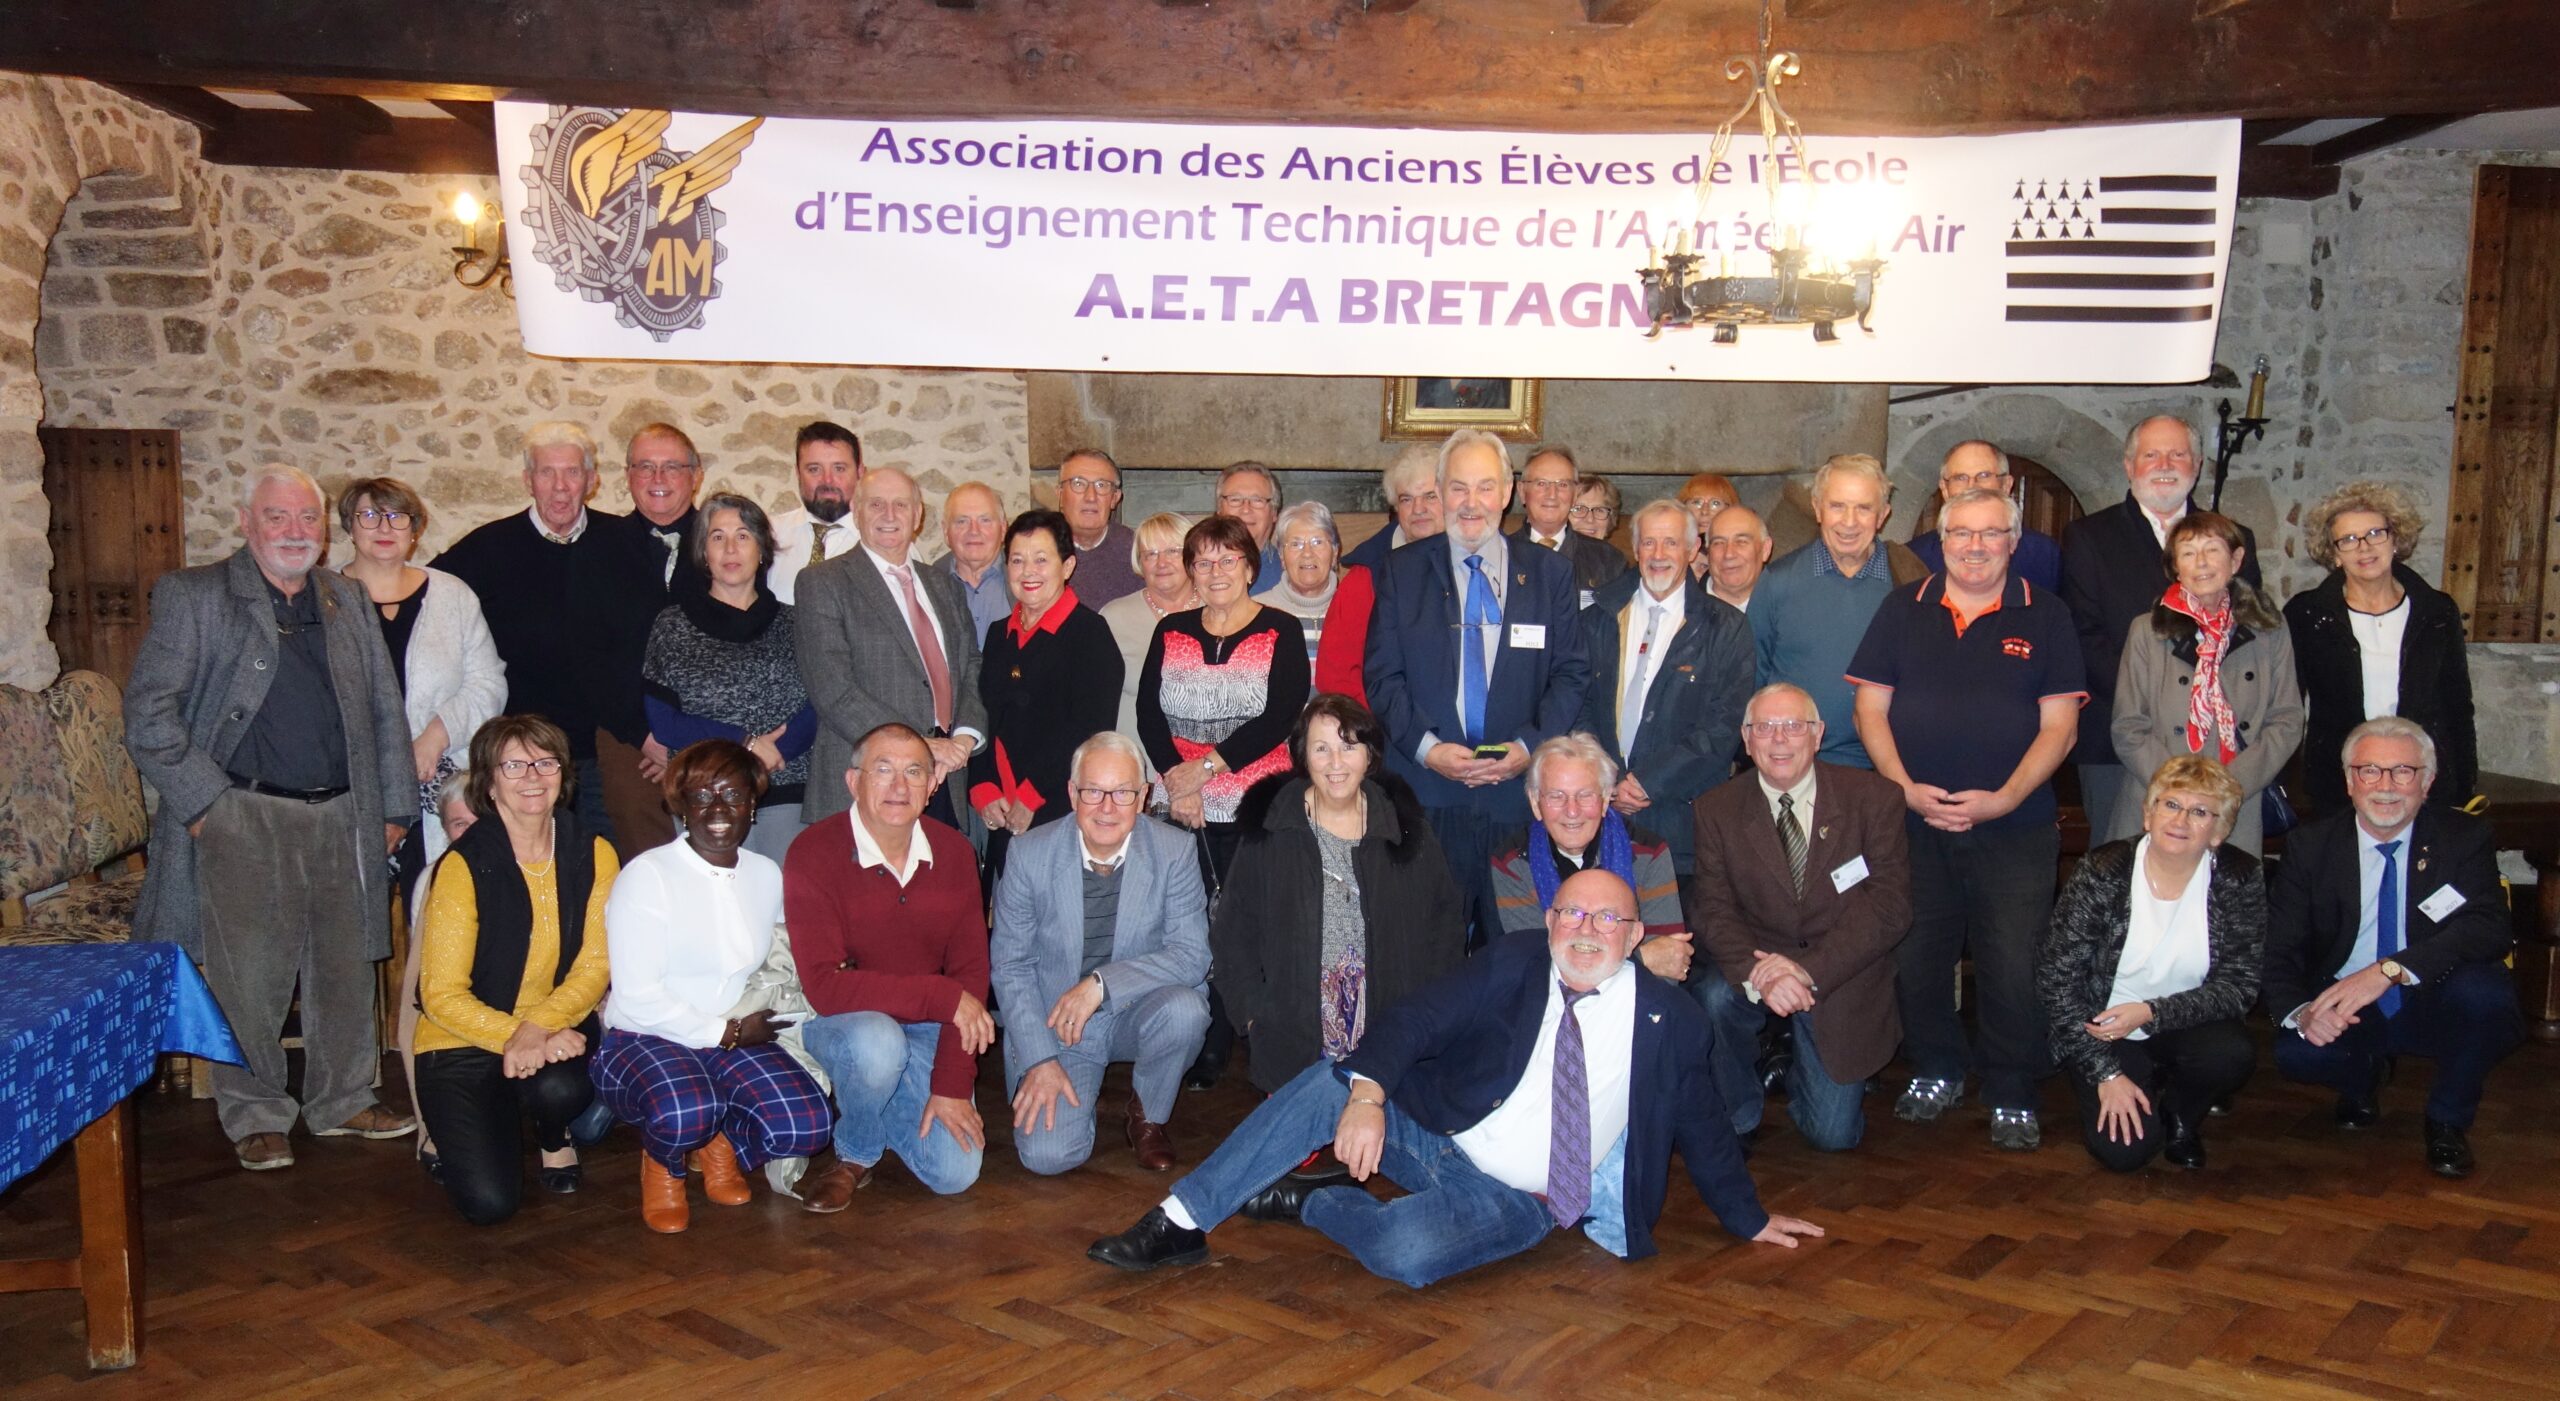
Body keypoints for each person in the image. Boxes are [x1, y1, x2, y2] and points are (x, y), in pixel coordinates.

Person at [1085, 868, 1824, 1285]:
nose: (1587, 930)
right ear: (1551, 918)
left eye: (1608, 919)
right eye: (1573, 913)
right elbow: (1415, 1019)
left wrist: (1750, 1218)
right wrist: (1370, 1096)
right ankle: (1179, 1222)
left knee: (1403, 1256)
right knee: (1331, 1082)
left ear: (1636, 936)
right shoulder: (1516, 960)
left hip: (1519, 1197)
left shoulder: (1671, 1019)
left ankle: (1311, 1202)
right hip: (1440, 1132)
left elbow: (1702, 1126)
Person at [124, 464, 416, 1170]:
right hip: (242, 813)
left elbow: (384, 711)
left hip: (345, 814)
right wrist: (205, 806)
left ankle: (342, 1097)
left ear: (322, 534)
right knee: (249, 977)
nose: (293, 531)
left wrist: (394, 806)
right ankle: (254, 1110)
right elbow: (147, 712)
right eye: (277, 517)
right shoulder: (194, 595)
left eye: (306, 520)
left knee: (345, 967)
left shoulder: (346, 597)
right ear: (247, 523)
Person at [1848, 488, 2086, 1150]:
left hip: (2015, 823)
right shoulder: (1903, 607)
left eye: (1991, 533)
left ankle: (2012, 1084)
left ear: (2014, 541)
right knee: (1917, 956)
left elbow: (2060, 728)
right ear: (1941, 540)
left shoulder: (2048, 615)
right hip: (1913, 821)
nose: (1975, 545)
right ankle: (1937, 1065)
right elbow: (1870, 710)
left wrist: (2006, 796)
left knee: (2012, 963)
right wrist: (1903, 790)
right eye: (1961, 533)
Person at [2264, 718, 2521, 1179]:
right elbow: (2279, 950)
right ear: (2348, 781)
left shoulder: (2463, 838)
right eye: (2369, 771)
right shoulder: (2311, 845)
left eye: (2403, 771)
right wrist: (2302, 1011)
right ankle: (2363, 1078)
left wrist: (2390, 970)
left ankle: (2447, 1120)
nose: (2386, 786)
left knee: (2488, 997)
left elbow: (2489, 927)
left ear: (2427, 781)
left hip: (2428, 989)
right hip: (2347, 998)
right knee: (2297, 1053)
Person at [595, 739, 833, 1232]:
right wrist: (724, 1034)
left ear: (753, 804)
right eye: (703, 796)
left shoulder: (765, 874)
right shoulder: (648, 876)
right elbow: (638, 997)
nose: (720, 810)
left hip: (732, 1030)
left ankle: (717, 1138)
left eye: (734, 795)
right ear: (681, 806)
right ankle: (665, 1161)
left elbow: (794, 948)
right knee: (686, 1109)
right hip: (645, 1036)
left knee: (807, 1125)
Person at [1366, 429, 1591, 948]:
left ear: (1508, 492)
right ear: (1441, 491)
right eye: (1459, 488)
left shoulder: (1551, 573)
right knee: (1425, 954)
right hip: (1428, 796)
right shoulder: (1400, 571)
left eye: (1485, 487)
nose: (1472, 503)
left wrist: (1527, 748)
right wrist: (1428, 750)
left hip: (1516, 797)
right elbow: (1383, 676)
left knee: (1517, 952)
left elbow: (1570, 674)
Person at [412, 715, 617, 1224]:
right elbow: (440, 996)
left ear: (563, 774)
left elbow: (596, 964)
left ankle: (551, 1130)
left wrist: (539, 1028)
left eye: (545, 762)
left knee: (563, 1089)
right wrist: (524, 1037)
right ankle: (480, 1113)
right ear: (489, 781)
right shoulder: (461, 865)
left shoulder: (594, 852)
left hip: (550, 1024)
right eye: (514, 765)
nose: (532, 776)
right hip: (460, 1035)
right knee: (489, 1205)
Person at [1689, 682, 1909, 1151]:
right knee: (1712, 998)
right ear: (1746, 740)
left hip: (1840, 966)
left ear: (1818, 734)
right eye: (1765, 728)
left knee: (1833, 1137)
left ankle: (1792, 1061)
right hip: (1757, 958)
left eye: (1794, 726)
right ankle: (1740, 1111)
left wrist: (1807, 970)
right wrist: (1760, 972)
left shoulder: (1873, 798)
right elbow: (1712, 907)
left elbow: (1889, 907)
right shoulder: (1716, 810)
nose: (1780, 739)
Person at [1211, 695, 1463, 1099]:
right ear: (1303, 755)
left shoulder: (1406, 830)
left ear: (1369, 755)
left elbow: (1444, 924)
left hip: (1389, 1033)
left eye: (1349, 746)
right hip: (1293, 1036)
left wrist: (1423, 1016)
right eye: (1321, 748)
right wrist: (1254, 1017)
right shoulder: (1271, 830)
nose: (1336, 763)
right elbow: (1232, 932)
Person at [787, 723, 992, 1210]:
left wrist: (951, 1086)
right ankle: (855, 1155)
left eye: (914, 772)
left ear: (931, 785)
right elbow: (825, 988)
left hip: (925, 1029)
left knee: (954, 1173)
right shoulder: (813, 852)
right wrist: (940, 998)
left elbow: (971, 979)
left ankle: (880, 1097)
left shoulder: (955, 852)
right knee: (878, 1043)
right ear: (853, 782)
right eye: (883, 770)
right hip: (843, 1027)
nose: (899, 787)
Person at [991, 733, 1212, 1174]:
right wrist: (1040, 1058)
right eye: (1093, 791)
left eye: (1123, 793)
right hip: (1058, 1024)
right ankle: (1079, 1090)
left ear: (1144, 796)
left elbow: (1193, 957)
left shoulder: (1174, 851)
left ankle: (1148, 1111)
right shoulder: (1028, 854)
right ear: (1073, 793)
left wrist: (1101, 984)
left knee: (1187, 1010)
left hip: (1138, 1009)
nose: (1107, 808)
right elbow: (1010, 967)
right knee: (1048, 1158)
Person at [435, 421, 659, 854]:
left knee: (603, 870)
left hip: (604, 752)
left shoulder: (627, 545)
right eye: (546, 473)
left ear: (591, 480)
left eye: (572, 472)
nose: (560, 487)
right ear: (527, 480)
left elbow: (656, 646)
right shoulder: (487, 548)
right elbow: (429, 601)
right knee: (529, 869)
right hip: (524, 759)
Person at [2037, 754, 2261, 1174]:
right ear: (2148, 813)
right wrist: (2107, 1075)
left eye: (2200, 812)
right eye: (2170, 805)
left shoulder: (2239, 877)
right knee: (2125, 1154)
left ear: (2219, 830)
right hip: (2102, 1028)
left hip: (2184, 1022)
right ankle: (2135, 1083)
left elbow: (2239, 986)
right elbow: (2057, 982)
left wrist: (2151, 1013)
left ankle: (2182, 1113)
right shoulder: (2103, 872)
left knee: (2230, 1054)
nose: (2180, 820)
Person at [2060, 415, 2264, 841]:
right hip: (2121, 743)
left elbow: (2246, 634)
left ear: (2198, 463)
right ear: (2129, 465)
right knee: (2122, 870)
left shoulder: (2234, 537)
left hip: (2216, 743)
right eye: (2151, 454)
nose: (2164, 464)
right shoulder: (2088, 536)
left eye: (2177, 454)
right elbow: (2083, 636)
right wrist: (2157, 707)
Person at [333, 475, 506, 885]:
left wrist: (435, 736)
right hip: (350, 786)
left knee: (434, 908)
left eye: (397, 516)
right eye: (370, 515)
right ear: (349, 527)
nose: (384, 528)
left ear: (414, 529)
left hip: (437, 780)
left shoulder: (452, 594)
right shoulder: (324, 597)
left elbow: (488, 681)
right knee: (358, 915)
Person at [797, 467, 984, 836]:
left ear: (918, 515)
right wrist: (921, 748)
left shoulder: (943, 585)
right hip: (867, 785)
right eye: (876, 504)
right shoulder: (822, 583)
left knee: (940, 891)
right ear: (857, 510)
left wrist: (963, 738)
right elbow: (833, 690)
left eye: (901, 505)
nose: (889, 515)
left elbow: (971, 669)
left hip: (944, 782)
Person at [2106, 511, 2303, 855]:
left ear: (2236, 559)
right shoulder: (2146, 630)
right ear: (2174, 566)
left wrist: (2226, 788)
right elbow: (2129, 726)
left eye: (2213, 550)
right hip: (2159, 799)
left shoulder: (2270, 629)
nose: (2201, 563)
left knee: (2222, 904)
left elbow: (2286, 719)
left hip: (2235, 801)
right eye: (2188, 552)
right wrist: (2181, 792)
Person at [642, 491, 819, 865]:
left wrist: (775, 756)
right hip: (705, 796)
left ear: (762, 549)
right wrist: (746, 744)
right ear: (704, 553)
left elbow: (819, 704)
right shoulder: (672, 625)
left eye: (743, 536)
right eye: (717, 537)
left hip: (785, 792)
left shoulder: (797, 623)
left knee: (782, 913)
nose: (730, 549)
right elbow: (665, 723)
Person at [1578, 499, 1751, 875]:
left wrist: (1649, 782)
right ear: (1635, 549)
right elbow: (1577, 703)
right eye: (1649, 543)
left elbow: (1724, 726)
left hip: (1681, 821)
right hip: (1599, 813)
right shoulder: (1596, 619)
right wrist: (1607, 777)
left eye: (1671, 543)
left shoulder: (1726, 627)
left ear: (1692, 550)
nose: (1658, 554)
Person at [2284, 481, 2477, 812]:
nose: (2364, 547)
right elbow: (2288, 705)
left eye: (2375, 534)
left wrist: (2464, 786)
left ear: (2396, 539)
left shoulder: (2436, 612)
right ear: (2333, 554)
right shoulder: (2307, 614)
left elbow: (2457, 703)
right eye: (2348, 540)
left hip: (2421, 777)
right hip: (2340, 781)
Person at [1140, 514, 1313, 881]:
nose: (1216, 572)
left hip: (1257, 805)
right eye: (1203, 563)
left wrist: (1203, 771)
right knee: (1180, 917)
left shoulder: (1281, 629)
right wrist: (1179, 782)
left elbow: (1279, 716)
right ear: (1192, 573)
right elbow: (1148, 713)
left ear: (1249, 569)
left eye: (1228, 560)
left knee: (1248, 919)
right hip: (1180, 801)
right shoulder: (1169, 630)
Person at [970, 509, 1124, 880]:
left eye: (1042, 560)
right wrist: (982, 784)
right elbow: (981, 712)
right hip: (1002, 806)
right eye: (1017, 560)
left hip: (1058, 806)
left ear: (1067, 566)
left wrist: (1031, 794)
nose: (1028, 572)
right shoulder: (997, 634)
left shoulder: (1090, 633)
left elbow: (1088, 727)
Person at [1751, 454, 1926, 768]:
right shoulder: (1777, 582)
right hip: (1799, 767)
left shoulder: (1907, 582)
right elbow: (1753, 676)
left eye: (1863, 508)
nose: (1849, 521)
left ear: (1883, 514)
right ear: (1817, 508)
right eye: (1837, 506)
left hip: (1887, 768)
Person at [1488, 734, 1695, 986]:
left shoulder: (1648, 854)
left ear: (1606, 799)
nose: (1572, 810)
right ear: (1535, 802)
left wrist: (1583, 961)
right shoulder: (1512, 863)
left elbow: (1669, 965)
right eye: (1556, 796)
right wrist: (1642, 957)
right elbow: (1534, 970)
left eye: (1585, 795)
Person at [398, 770, 477, 1176]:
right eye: (459, 823)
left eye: (478, 820)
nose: (469, 832)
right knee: (415, 1005)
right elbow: (423, 965)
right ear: (445, 830)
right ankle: (430, 1127)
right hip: (450, 991)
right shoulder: (433, 876)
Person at [1322, 443, 1445, 703]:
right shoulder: (1366, 575)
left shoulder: (1474, 565)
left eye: (1430, 496)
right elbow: (1336, 674)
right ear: (1395, 509)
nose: (1418, 508)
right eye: (1406, 499)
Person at [1101, 512, 1196, 754]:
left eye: (1173, 551)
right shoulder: (1114, 617)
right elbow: (1093, 703)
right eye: (1150, 554)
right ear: (1139, 562)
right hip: (1134, 767)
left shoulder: (1217, 611)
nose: (1161, 562)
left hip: (1207, 769)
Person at [1907, 441, 2061, 590]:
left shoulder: (2044, 555)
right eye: (1960, 478)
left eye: (1984, 475)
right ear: (1945, 489)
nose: (1972, 486)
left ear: (2006, 485)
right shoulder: (1914, 556)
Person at [764, 420, 862, 606]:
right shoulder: (768, 535)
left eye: (839, 468)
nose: (827, 480)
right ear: (798, 473)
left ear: (860, 472)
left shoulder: (886, 546)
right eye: (814, 469)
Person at [1512, 445, 1629, 595]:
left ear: (1574, 494)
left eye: (1562, 484)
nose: (1552, 494)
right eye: (1541, 483)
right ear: (1522, 492)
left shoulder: (1609, 562)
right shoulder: (1501, 554)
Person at [1254, 500, 1342, 664]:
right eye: (1296, 544)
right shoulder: (1256, 612)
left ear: (1335, 552)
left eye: (1318, 542)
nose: (1307, 553)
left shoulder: (1355, 610)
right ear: (1281, 556)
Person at [1058, 448, 1142, 607]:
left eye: (1101, 485)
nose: (1090, 497)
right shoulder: (1041, 551)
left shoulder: (1138, 552)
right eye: (1078, 484)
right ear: (1060, 495)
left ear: (1115, 498)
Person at [936, 479, 1012, 645]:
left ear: (1003, 528)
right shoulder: (927, 585)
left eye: (985, 520)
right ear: (946, 531)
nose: (974, 531)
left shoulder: (1024, 578)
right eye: (962, 521)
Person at [1217, 460, 1287, 592]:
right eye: (1235, 499)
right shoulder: (1197, 571)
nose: (1246, 509)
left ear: (1274, 512)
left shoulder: (1289, 573)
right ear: (1219, 510)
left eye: (1257, 500)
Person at [1702, 504, 1773, 614]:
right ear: (1708, 553)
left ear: (1765, 549)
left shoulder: (1791, 611)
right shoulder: (1680, 609)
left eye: (1741, 542)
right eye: (1719, 543)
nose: (1729, 554)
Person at [1568, 473, 1621, 544]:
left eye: (1599, 510)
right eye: (1578, 509)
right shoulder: (1549, 554)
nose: (1590, 519)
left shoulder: (1615, 555)